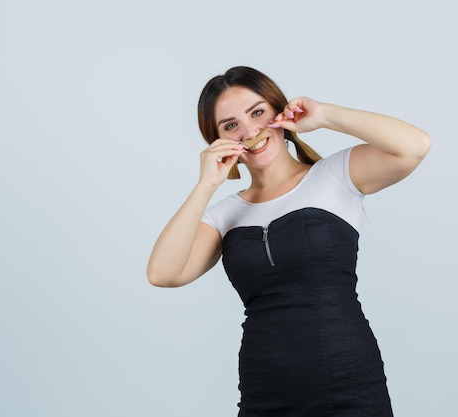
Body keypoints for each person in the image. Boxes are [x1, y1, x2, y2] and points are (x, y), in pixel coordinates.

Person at [146, 66, 430, 416]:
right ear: (217, 140)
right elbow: (163, 273)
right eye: (231, 125)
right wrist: (206, 185)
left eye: (257, 112)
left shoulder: (336, 175)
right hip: (264, 393)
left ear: (278, 112)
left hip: (350, 385)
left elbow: (415, 146)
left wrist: (324, 115)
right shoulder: (222, 215)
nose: (250, 130)